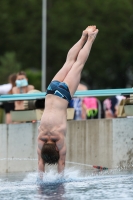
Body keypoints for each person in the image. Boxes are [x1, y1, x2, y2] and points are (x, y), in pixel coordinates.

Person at [37, 25, 99, 175]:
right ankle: (83, 36)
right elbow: (40, 162)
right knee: (69, 61)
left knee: (79, 64)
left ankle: (90, 39)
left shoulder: (59, 137)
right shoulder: (41, 137)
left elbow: (61, 162)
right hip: (51, 91)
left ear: (57, 149)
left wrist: (59, 179)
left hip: (63, 95)